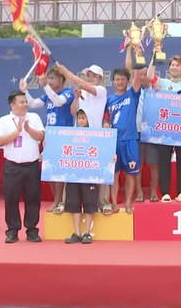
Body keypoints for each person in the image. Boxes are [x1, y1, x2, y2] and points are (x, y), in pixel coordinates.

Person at [20, 67, 75, 214]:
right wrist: (25, 91)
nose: (49, 81)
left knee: (60, 171)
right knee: (50, 170)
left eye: (52, 78)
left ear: (62, 80)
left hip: (63, 136)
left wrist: (44, 86)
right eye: (48, 78)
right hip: (50, 137)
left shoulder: (68, 92)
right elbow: (32, 104)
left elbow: (58, 102)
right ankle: (56, 199)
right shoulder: (47, 96)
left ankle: (60, 200)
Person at [0, 91, 45, 243]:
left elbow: (42, 136)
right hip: (12, 166)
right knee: (11, 199)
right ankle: (12, 231)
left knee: (33, 199)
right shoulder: (4, 121)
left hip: (32, 165)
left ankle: (32, 230)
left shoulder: (34, 118)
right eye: (21, 102)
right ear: (12, 105)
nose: (25, 104)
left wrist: (28, 129)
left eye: (25, 101)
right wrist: (17, 131)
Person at [62, 64, 113, 214]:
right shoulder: (82, 92)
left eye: (92, 75)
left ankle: (103, 203)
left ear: (99, 78)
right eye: (87, 74)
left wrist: (66, 72)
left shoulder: (101, 91)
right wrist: (76, 98)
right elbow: (73, 112)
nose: (89, 77)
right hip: (80, 137)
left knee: (102, 169)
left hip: (97, 137)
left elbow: (82, 83)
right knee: (75, 169)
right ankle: (67, 202)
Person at [146, 52, 181, 203]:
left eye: (177, 65)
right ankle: (165, 192)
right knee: (164, 161)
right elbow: (149, 76)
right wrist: (154, 57)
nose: (174, 67)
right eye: (172, 65)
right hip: (165, 129)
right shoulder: (164, 83)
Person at [106, 67, 142, 214]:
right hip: (114, 141)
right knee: (114, 175)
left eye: (123, 79)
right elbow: (106, 119)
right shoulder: (109, 100)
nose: (120, 81)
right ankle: (114, 204)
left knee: (130, 174)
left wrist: (136, 53)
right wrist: (105, 124)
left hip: (130, 140)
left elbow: (137, 77)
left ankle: (128, 204)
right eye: (117, 79)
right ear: (113, 81)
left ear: (128, 81)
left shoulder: (132, 95)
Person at [64, 110, 102, 244]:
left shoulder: (95, 135)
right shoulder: (69, 135)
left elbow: (103, 152)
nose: (81, 121)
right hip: (74, 175)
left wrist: (111, 158)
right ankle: (77, 233)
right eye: (79, 118)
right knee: (74, 203)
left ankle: (87, 233)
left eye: (84, 118)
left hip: (89, 176)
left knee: (89, 203)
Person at [124, 44, 151, 202]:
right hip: (135, 131)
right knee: (138, 163)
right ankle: (139, 192)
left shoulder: (154, 88)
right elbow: (129, 68)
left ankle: (154, 191)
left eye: (144, 73)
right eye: (139, 73)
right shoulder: (132, 89)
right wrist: (130, 50)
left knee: (154, 164)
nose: (141, 76)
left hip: (152, 131)